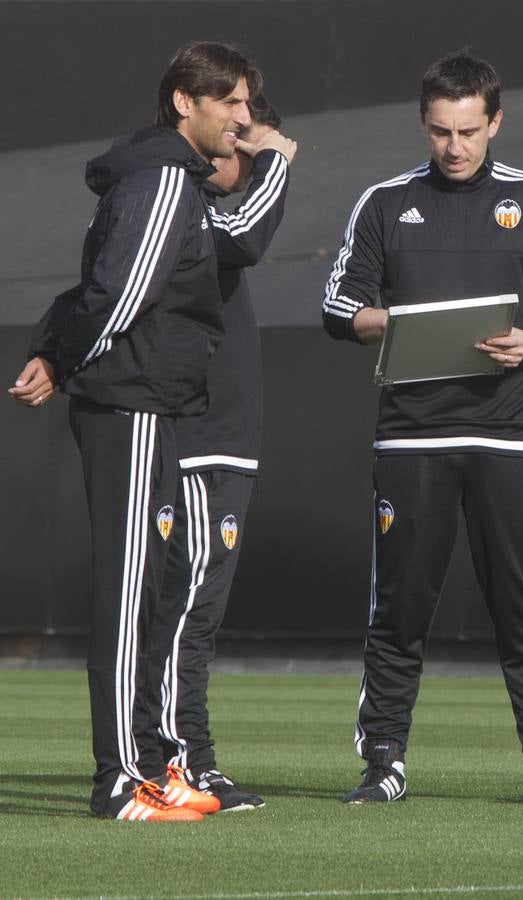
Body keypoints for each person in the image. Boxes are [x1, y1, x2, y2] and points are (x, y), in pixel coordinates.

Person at [321, 51, 523, 803]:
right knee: (400, 605)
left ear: (495, 121)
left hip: (507, 434)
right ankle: (383, 763)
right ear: (422, 123)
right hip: (412, 436)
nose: (455, 146)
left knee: (522, 604)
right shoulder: (383, 203)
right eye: (441, 130)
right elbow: (339, 308)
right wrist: (398, 325)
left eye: (469, 130)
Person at [10, 41, 259, 822]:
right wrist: (60, 355)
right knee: (127, 597)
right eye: (231, 103)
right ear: (186, 102)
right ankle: (121, 780)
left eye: (248, 104)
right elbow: (117, 296)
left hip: (158, 403)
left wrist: (56, 349)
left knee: (161, 585)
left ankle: (153, 763)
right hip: (133, 405)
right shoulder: (160, 179)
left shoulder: (171, 178)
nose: (244, 118)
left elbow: (103, 287)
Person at [141, 92, 298, 812]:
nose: (242, 154)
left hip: (221, 441)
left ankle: (175, 756)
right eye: (235, 137)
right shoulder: (184, 201)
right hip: (200, 439)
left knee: (188, 608)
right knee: (187, 611)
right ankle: (181, 762)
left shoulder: (189, 206)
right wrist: (275, 161)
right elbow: (246, 235)